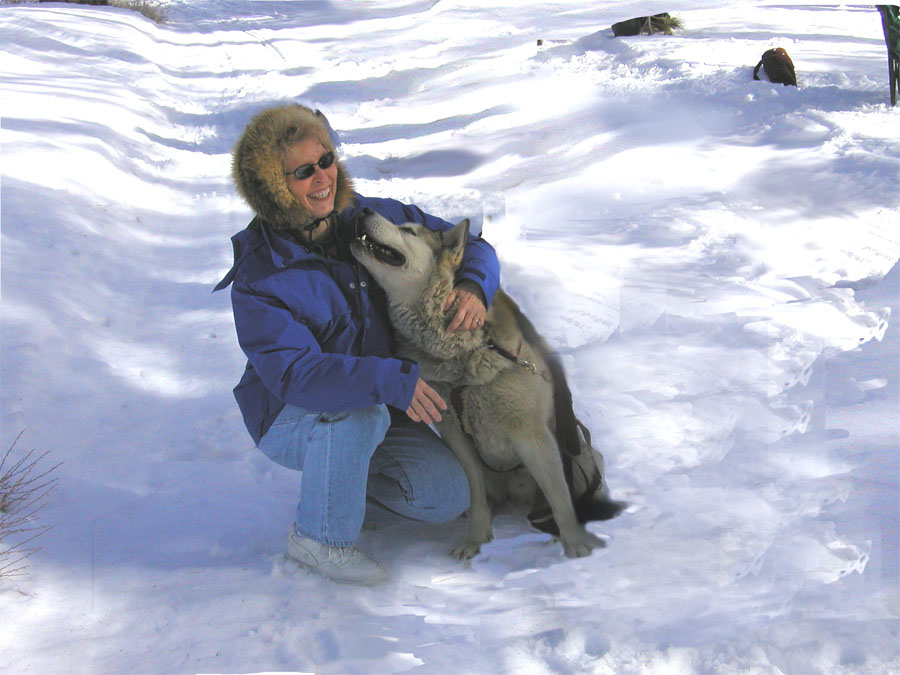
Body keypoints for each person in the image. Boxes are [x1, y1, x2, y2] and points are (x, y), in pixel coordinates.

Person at [214, 104, 500, 585]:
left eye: (325, 160)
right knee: (357, 414)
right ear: (273, 187)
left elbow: (470, 243)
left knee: (447, 496)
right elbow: (296, 376)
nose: (322, 177)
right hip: (289, 414)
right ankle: (319, 538)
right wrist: (389, 381)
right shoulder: (262, 274)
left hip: (378, 397)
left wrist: (473, 284)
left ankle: (337, 482)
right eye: (302, 172)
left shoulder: (366, 218)